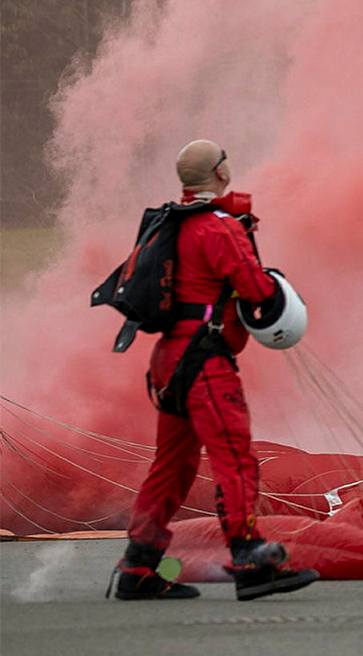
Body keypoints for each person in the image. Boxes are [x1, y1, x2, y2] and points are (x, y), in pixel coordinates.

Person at [112, 140, 320, 601]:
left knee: (171, 467)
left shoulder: (172, 225)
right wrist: (275, 285)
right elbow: (256, 290)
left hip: (168, 363)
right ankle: (250, 559)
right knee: (235, 458)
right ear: (221, 174)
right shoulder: (219, 228)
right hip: (206, 362)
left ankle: (138, 567)